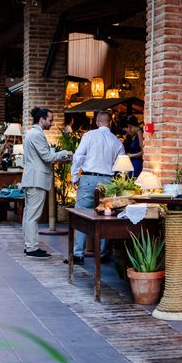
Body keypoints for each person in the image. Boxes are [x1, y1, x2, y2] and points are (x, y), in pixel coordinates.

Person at [70, 111, 124, 264]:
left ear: (97, 121)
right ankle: (101, 253)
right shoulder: (117, 141)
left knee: (81, 214)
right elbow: (122, 165)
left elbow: (79, 156)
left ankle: (78, 254)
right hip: (108, 180)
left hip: (88, 178)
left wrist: (74, 176)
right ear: (110, 122)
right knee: (105, 215)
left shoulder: (89, 135)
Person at [22, 107, 73, 258]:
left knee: (29, 214)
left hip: (32, 178)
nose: (51, 123)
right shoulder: (37, 134)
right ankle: (31, 248)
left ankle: (29, 245)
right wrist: (66, 153)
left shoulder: (33, 133)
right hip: (36, 179)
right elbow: (47, 157)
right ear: (41, 119)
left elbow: (45, 156)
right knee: (33, 216)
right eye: (50, 120)